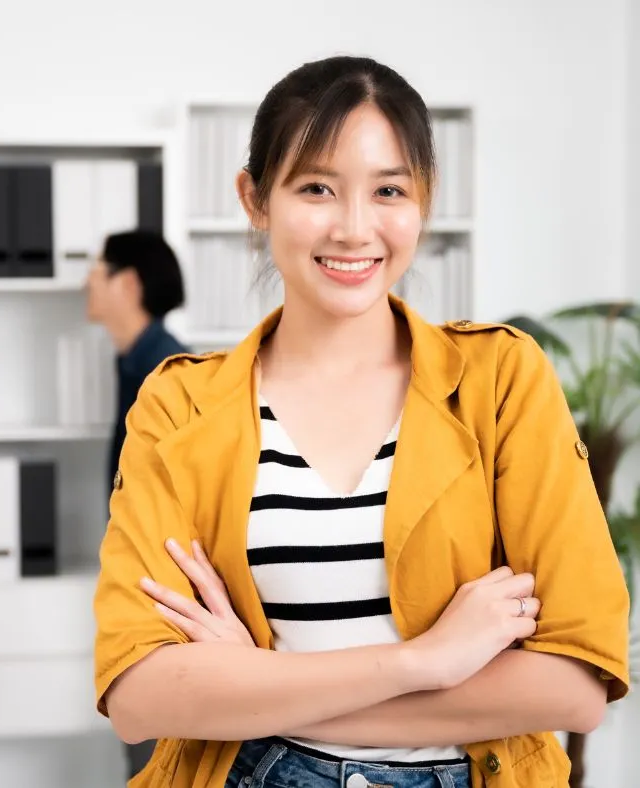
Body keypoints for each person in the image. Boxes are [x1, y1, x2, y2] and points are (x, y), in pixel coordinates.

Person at [93, 56, 630, 788]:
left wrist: (260, 686)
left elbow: (571, 686)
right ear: (255, 199)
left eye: (388, 191)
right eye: (316, 188)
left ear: (424, 201)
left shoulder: (501, 383)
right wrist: (420, 663)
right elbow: (139, 696)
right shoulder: (179, 405)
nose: (353, 228)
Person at [84, 229, 188, 778]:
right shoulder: (135, 363)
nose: (85, 282)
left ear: (127, 284)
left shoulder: (166, 374)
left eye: (96, 269)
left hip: (163, 603)